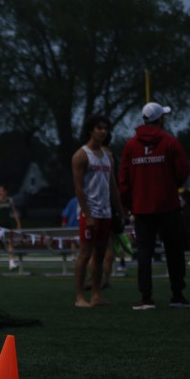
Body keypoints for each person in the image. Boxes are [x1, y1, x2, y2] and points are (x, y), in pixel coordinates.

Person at [119, 102, 190, 309]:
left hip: (142, 208)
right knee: (174, 251)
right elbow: (183, 170)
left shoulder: (131, 145)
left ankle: (146, 297)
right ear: (160, 119)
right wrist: (171, 185)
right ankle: (177, 295)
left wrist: (129, 204)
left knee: (144, 253)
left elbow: (123, 179)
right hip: (168, 206)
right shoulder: (170, 142)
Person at [70, 114, 123, 307]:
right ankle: (79, 297)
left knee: (100, 256)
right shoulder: (81, 155)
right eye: (99, 128)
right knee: (85, 254)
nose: (103, 131)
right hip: (90, 212)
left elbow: (112, 186)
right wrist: (87, 214)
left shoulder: (108, 156)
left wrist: (120, 211)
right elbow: (78, 189)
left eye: (105, 128)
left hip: (106, 212)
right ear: (90, 130)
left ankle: (95, 295)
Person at [0, 184, 22, 273]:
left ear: (6, 191)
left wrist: (18, 223)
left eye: (2, 190)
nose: (1, 192)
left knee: (10, 244)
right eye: (0, 190)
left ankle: (11, 264)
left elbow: (14, 212)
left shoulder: (10, 200)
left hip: (8, 225)